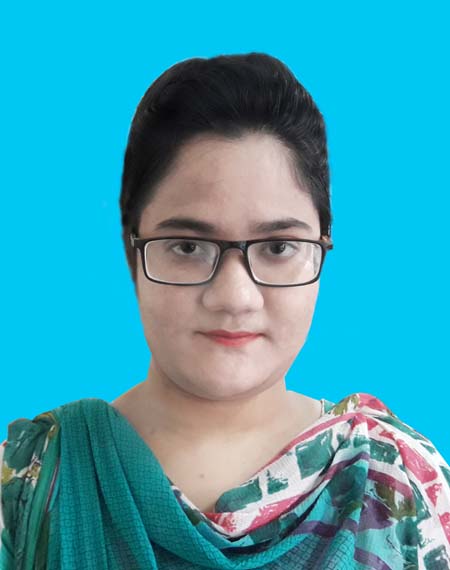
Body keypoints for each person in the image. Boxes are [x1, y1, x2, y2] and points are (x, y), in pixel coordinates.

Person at [1, 52, 449, 569]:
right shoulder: (29, 486)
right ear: (132, 251)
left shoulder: (403, 483)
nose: (235, 297)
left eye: (278, 246)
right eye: (188, 246)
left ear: (322, 248)